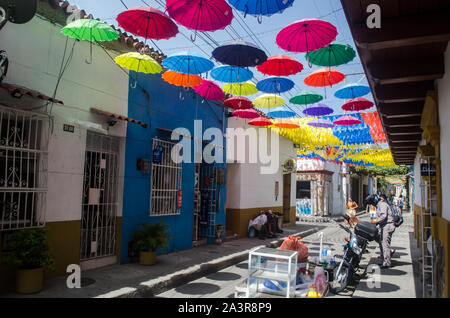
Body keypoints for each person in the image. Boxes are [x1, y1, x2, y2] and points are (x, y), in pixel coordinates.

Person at [376, 194, 396, 268]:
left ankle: (387, 263)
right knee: (382, 243)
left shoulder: (383, 205)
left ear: (383, 199)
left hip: (387, 226)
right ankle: (384, 260)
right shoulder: (383, 204)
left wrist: (376, 221)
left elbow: (384, 216)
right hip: (386, 225)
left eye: (380, 199)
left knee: (385, 245)